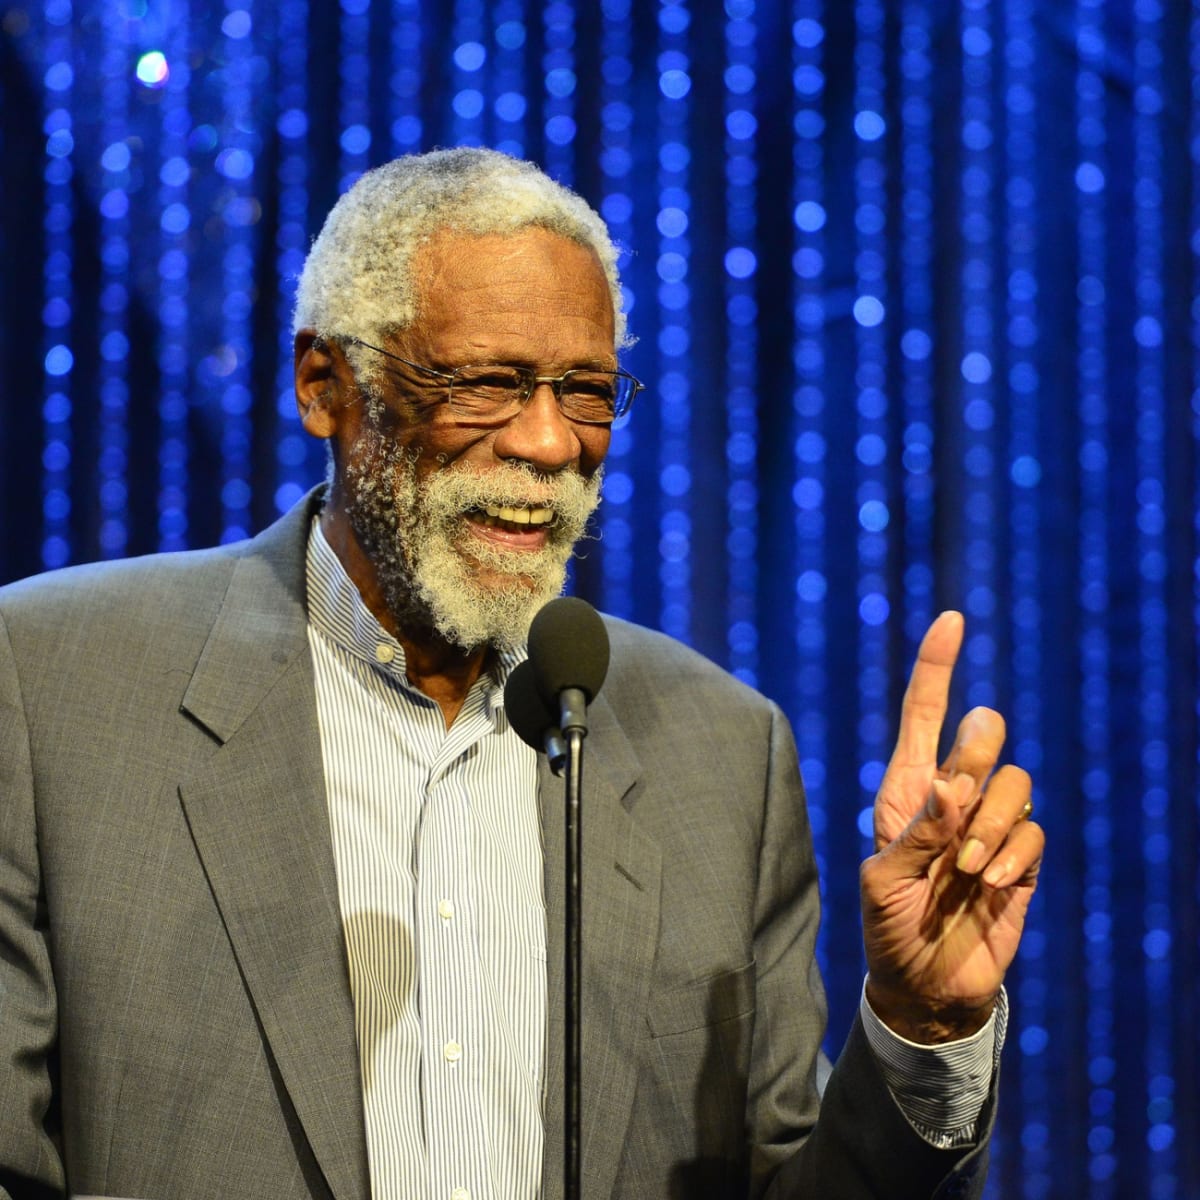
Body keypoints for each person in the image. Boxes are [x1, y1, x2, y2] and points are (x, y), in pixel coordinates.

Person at [0, 148, 1043, 1200]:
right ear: (327, 385)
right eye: (487, 383)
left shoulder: (723, 753)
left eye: (585, 391)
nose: (548, 443)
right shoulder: (49, 686)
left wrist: (921, 1024)